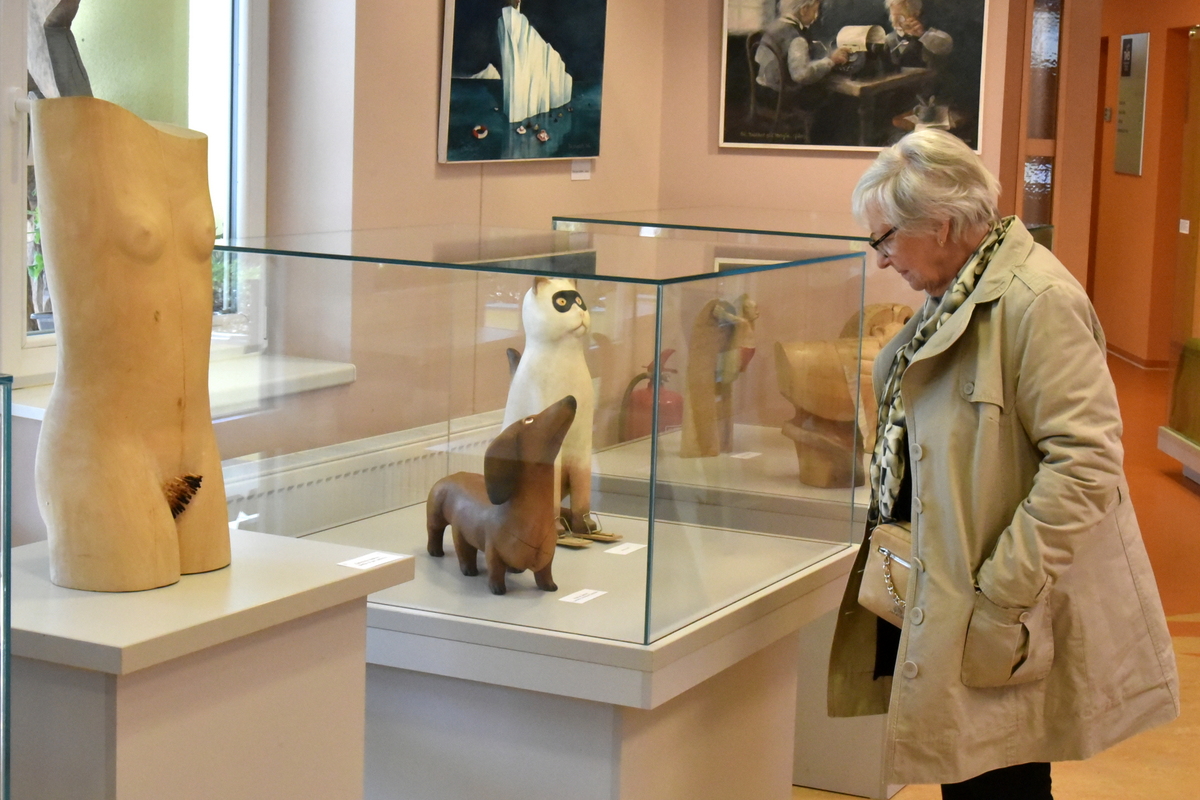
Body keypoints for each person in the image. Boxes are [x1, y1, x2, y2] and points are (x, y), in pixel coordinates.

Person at [828, 129, 1180, 798]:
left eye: (886, 239)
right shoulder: (957, 293)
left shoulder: (1036, 300)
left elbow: (1086, 464)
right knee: (974, 770)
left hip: (997, 597)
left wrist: (1001, 590)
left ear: (942, 224)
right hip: (955, 585)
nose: (881, 259)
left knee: (999, 773)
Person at [754, 0, 851, 94]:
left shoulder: (773, 28)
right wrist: (831, 61)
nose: (816, 16)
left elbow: (758, 57)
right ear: (804, 10)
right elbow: (801, 75)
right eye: (815, 11)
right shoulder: (796, 37)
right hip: (783, 96)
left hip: (763, 91)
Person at [884, 0, 953, 69]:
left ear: (915, 14)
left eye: (900, 16)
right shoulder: (889, 39)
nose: (895, 21)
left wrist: (922, 35)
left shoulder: (931, 35)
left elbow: (945, 46)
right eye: (893, 16)